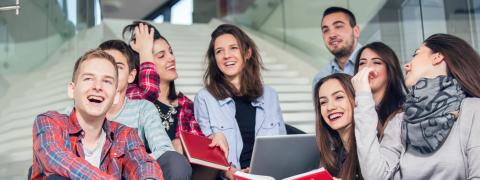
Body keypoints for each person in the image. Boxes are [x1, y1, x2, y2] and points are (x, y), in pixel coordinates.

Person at [352, 33, 480, 179]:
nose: (407, 65)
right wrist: (363, 97)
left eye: (416, 54)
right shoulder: (400, 120)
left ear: (437, 57)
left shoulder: (473, 110)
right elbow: (375, 176)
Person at [31, 49, 162, 179]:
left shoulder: (125, 134)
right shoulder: (49, 122)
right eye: (88, 78)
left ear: (116, 96)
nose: (98, 86)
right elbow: (55, 156)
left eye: (107, 81)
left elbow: (142, 163)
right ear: (72, 90)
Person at [194, 24, 287, 179]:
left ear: (247, 52)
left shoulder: (270, 95)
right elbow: (207, 153)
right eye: (219, 51)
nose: (226, 55)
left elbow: (282, 145)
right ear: (214, 59)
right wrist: (228, 171)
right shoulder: (205, 98)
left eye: (233, 48)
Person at [123, 22, 204, 154]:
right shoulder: (131, 95)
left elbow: (201, 155)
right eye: (161, 55)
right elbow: (148, 92)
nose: (171, 58)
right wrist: (145, 50)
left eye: (171, 52)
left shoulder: (187, 105)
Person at [353, 42, 407, 139]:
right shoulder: (353, 110)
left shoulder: (403, 111)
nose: (367, 68)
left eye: (377, 62)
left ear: (390, 69)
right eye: (362, 63)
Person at [314, 73, 362, 180]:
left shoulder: (372, 148)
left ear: (357, 99)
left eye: (339, 97)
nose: (330, 107)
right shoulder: (335, 155)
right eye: (323, 102)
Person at [312, 6, 362, 88]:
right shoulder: (320, 78)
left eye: (338, 26)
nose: (332, 35)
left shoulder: (378, 64)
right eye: (325, 30)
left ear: (356, 31)